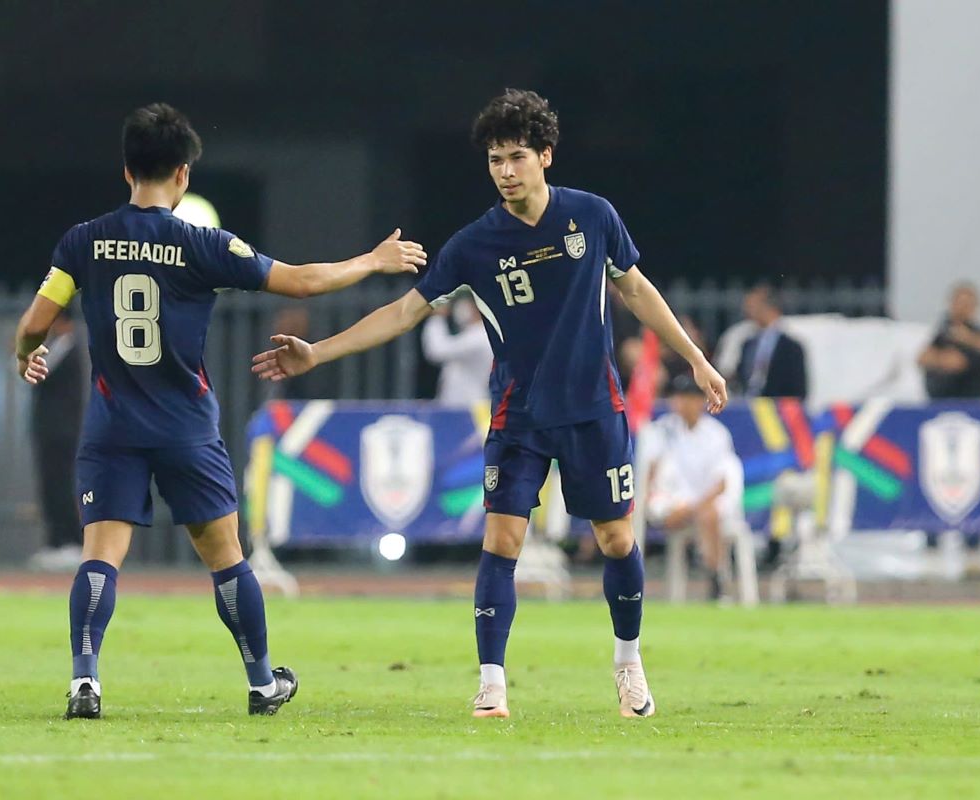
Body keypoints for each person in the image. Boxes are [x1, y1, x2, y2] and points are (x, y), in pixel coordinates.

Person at [252, 89, 727, 719]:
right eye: (495, 159)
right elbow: (403, 312)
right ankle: (492, 684)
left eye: (517, 156)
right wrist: (317, 352)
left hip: (593, 409)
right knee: (502, 542)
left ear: (545, 156)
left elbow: (636, 290)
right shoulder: (475, 244)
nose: (505, 170)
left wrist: (694, 358)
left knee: (616, 540)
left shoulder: (592, 216)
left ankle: (628, 664)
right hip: (519, 417)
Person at [14, 103, 427, 720]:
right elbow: (303, 281)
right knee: (226, 558)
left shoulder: (83, 241)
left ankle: (85, 681)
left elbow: (35, 323)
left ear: (127, 170)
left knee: (99, 556)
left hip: (112, 425)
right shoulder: (202, 244)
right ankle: (261, 682)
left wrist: (27, 354)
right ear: (183, 173)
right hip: (185, 427)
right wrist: (372, 261)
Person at [645, 375, 742, 601]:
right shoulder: (662, 430)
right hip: (673, 504)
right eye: (678, 397)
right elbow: (650, 474)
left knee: (710, 514)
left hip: (707, 503)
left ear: (700, 401)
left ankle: (715, 576)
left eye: (688, 397)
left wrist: (692, 509)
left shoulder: (716, 434)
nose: (682, 403)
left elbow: (722, 483)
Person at [28, 313, 86, 571]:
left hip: (62, 432)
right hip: (49, 431)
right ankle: (55, 542)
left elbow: (37, 371)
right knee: (50, 485)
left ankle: (71, 542)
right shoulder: (56, 348)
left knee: (62, 485)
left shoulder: (67, 348)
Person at [736, 284, 807, 399]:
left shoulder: (791, 347)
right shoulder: (747, 344)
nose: (747, 311)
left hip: (776, 407)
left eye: (753, 306)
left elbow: (798, 390)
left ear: (768, 307)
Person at [421, 294, 494, 406]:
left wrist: (437, 317)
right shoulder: (473, 333)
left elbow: (437, 351)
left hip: (468, 404)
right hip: (461, 402)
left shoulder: (480, 335)